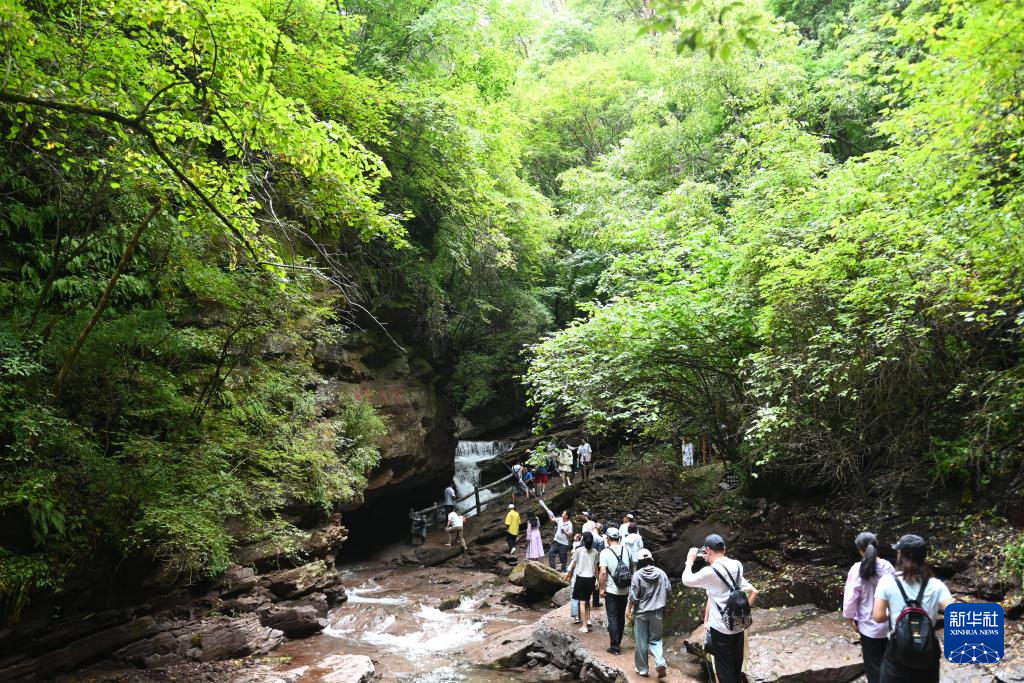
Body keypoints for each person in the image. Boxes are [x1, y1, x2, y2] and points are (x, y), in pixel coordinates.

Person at [872, 534, 954, 683]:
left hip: (897, 653)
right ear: (923, 557)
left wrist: (892, 613)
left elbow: (878, 616)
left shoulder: (887, 582)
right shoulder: (937, 585)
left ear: (900, 555)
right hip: (927, 653)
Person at [682, 534, 758, 683]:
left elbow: (686, 580)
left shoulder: (709, 573)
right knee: (736, 666)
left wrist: (689, 561)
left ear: (708, 550)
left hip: (721, 629)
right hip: (738, 624)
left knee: (724, 671)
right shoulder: (737, 565)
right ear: (724, 549)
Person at [843, 532, 895, 683]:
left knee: (873, 665)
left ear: (859, 549)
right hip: (887, 623)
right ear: (876, 546)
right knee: (889, 660)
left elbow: (851, 598)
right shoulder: (888, 567)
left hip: (868, 625)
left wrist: (849, 618)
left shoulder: (856, 569)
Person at [626, 548, 670, 679]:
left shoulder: (637, 575)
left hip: (641, 613)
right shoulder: (661, 573)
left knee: (641, 641)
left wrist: (628, 609)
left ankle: (643, 669)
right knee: (655, 639)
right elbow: (668, 590)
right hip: (657, 612)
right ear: (651, 559)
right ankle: (660, 662)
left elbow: (633, 595)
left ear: (639, 561)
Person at [599, 527, 633, 655]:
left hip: (612, 590)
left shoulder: (605, 552)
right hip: (624, 589)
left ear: (608, 538)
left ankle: (615, 646)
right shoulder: (627, 550)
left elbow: (603, 572)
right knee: (620, 617)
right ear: (618, 538)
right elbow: (630, 568)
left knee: (612, 616)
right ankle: (618, 641)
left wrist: (601, 589)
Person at [565, 531, 599, 633]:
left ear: (583, 541)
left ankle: (584, 626)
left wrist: (569, 576)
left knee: (582, 602)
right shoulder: (595, 552)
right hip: (591, 578)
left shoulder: (578, 551)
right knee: (588, 600)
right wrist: (597, 580)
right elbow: (596, 568)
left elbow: (573, 566)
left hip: (581, 578)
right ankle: (588, 620)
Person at [540, 501, 573, 570]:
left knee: (563, 559)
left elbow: (570, 535)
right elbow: (552, 519)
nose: (562, 514)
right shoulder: (560, 519)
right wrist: (549, 513)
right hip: (556, 541)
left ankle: (563, 571)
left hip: (563, 544)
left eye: (564, 513)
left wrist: (564, 531)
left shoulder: (569, 524)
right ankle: (552, 568)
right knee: (551, 554)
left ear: (567, 516)